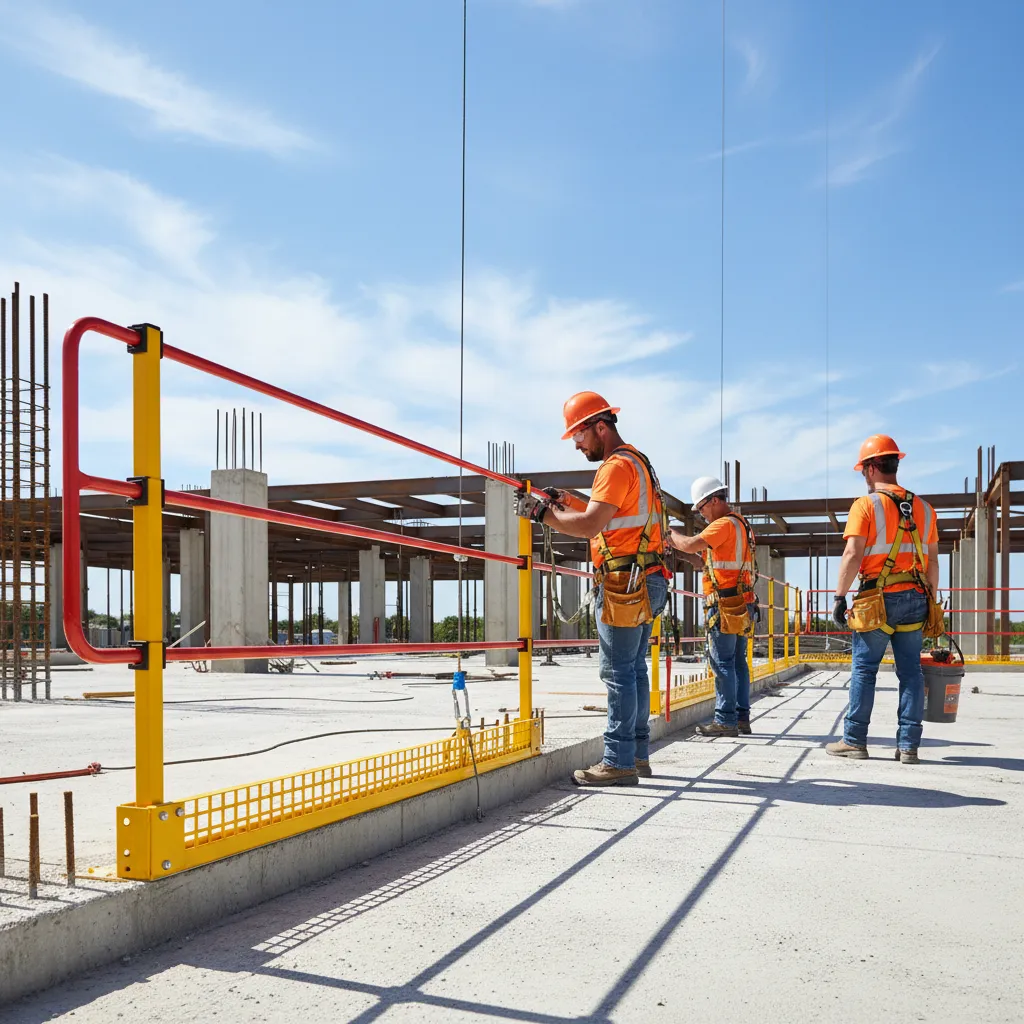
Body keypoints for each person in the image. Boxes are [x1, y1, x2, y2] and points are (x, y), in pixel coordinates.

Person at [515, 391, 669, 786]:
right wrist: (568, 500)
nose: (578, 445)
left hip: (624, 583)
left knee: (618, 673)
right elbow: (607, 511)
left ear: (601, 426)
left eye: (579, 436)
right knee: (634, 669)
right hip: (646, 578)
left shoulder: (615, 467)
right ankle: (636, 756)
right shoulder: (638, 462)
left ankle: (617, 761)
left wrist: (543, 513)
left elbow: (589, 526)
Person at [827, 435, 939, 764]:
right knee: (911, 673)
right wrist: (930, 597)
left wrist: (839, 596)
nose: (863, 477)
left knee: (864, 670)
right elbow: (932, 560)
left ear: (874, 468)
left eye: (863, 470)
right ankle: (908, 746)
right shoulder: (925, 508)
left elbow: (852, 553)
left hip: (877, 599)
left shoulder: (867, 505)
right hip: (916, 597)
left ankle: (854, 741)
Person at [666, 477, 757, 738]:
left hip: (724, 604)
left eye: (702, 507)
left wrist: (669, 533)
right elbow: (700, 560)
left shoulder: (723, 525)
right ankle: (741, 718)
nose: (702, 514)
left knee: (722, 662)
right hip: (742, 602)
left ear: (715, 500)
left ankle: (724, 720)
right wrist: (679, 551)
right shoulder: (741, 525)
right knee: (738, 661)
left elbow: (691, 543)